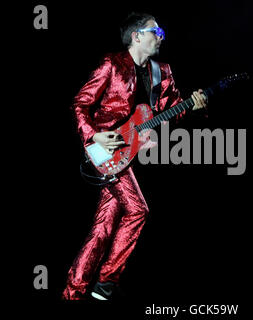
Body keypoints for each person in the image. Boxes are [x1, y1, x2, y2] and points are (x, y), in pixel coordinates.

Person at [62, 12, 207, 300]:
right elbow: (79, 105)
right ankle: (106, 283)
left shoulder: (161, 71)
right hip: (103, 150)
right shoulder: (111, 65)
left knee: (102, 228)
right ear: (137, 35)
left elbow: (172, 110)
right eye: (156, 31)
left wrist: (196, 105)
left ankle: (73, 292)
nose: (161, 37)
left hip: (126, 156)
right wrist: (94, 135)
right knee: (138, 209)